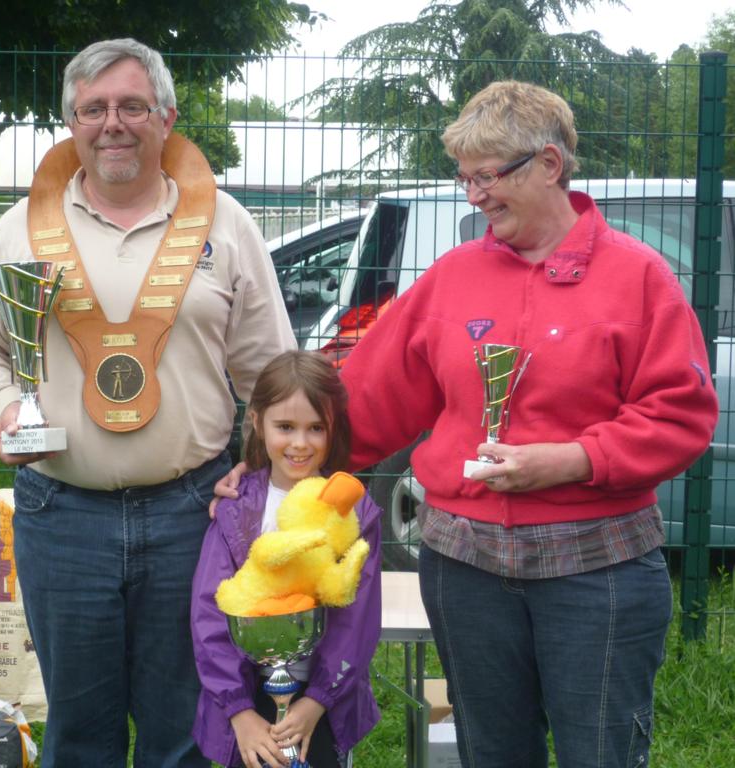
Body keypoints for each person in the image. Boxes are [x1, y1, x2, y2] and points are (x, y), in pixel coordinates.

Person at [215, 81, 719, 767]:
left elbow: (680, 413)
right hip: (465, 571)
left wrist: (572, 459)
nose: (474, 196)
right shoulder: (452, 278)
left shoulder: (639, 278)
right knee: (489, 751)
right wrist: (269, 467)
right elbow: (366, 399)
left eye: (487, 177)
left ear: (549, 164)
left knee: (601, 751)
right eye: (465, 179)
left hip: (597, 568)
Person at [0, 38, 296, 768]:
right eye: (94, 109)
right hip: (60, 516)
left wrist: (265, 470)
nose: (113, 123)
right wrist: (7, 405)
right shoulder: (22, 226)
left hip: (192, 513)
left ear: (166, 118)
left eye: (132, 106)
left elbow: (272, 372)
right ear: (72, 122)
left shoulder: (225, 223)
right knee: (78, 735)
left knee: (188, 731)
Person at [191, 350, 382, 768]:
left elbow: (358, 618)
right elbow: (210, 610)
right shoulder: (235, 507)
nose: (300, 443)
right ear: (257, 421)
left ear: (333, 429)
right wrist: (239, 711)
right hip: (247, 696)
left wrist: (317, 702)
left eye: (316, 428)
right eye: (285, 427)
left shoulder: (353, 512)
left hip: (324, 698)